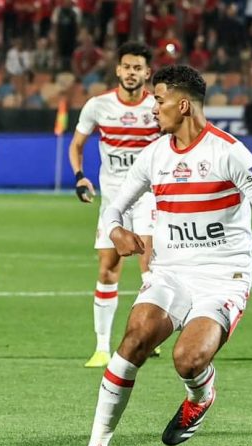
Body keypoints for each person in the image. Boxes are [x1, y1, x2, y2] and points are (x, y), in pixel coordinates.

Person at [70, 65, 252, 446]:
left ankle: (201, 395)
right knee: (134, 340)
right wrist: (117, 231)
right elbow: (114, 208)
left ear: (183, 105)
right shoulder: (153, 155)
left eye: (159, 100)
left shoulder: (229, 152)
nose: (152, 109)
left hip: (223, 278)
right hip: (170, 272)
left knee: (188, 359)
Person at [69, 42, 161, 368]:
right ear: (118, 70)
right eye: (127, 67)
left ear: (147, 73)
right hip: (113, 201)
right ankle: (102, 349)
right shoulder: (98, 106)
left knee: (151, 269)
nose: (132, 73)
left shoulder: (156, 108)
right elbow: (76, 145)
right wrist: (80, 177)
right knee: (108, 270)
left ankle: (148, 336)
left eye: (138, 68)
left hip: (149, 197)